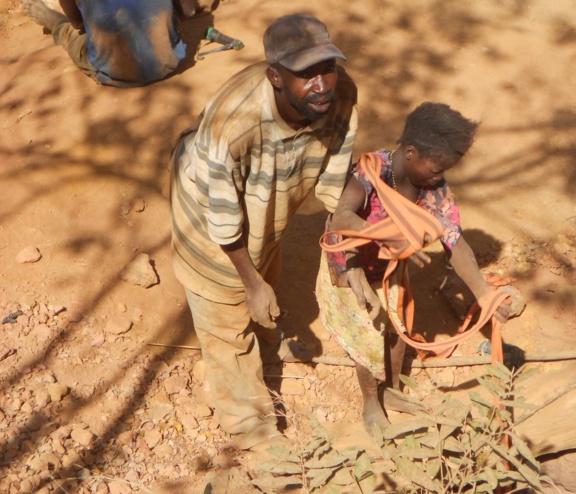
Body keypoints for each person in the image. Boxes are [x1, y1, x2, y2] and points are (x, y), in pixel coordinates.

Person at [170, 13, 357, 450]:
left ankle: (265, 334)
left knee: (265, 256)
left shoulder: (340, 93)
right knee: (226, 315)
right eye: (305, 75)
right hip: (206, 215)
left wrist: (346, 247)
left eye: (325, 68)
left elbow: (335, 173)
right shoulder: (233, 124)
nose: (322, 84)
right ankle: (251, 430)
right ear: (275, 76)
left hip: (267, 202)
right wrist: (251, 284)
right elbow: (223, 220)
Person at [316, 102, 518, 432]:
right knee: (367, 336)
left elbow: (455, 242)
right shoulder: (370, 171)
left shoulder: (432, 187)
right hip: (350, 263)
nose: (440, 177)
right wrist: (385, 238)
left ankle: (393, 392)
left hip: (390, 267)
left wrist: (484, 295)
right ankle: (370, 402)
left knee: (398, 333)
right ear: (411, 152)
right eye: (436, 168)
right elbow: (342, 217)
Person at [22, 0, 215, 87]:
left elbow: (79, 22)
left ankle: (56, 24)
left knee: (76, 33)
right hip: (170, 59)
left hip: (116, 72)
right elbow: (189, 10)